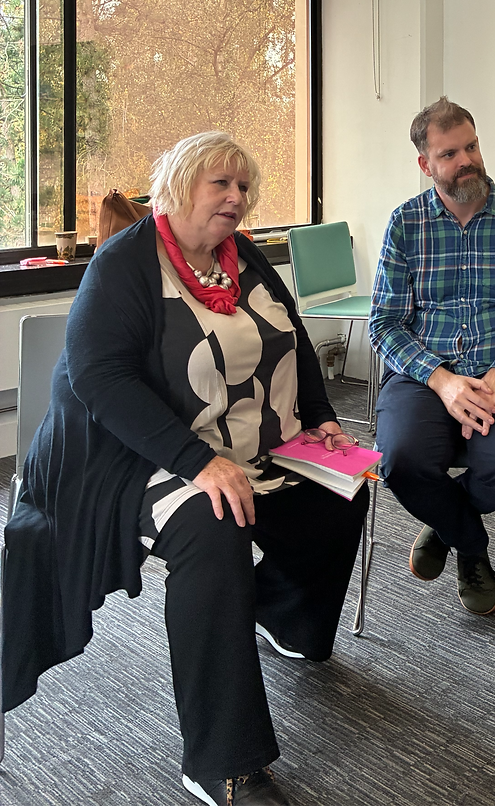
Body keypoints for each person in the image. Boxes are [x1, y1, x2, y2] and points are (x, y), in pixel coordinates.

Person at [1, 131, 369, 806]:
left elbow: (290, 340)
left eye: (243, 186)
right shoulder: (127, 263)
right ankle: (221, 760)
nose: (236, 198)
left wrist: (319, 418)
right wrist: (198, 462)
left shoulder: (243, 256)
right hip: (127, 456)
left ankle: (283, 618)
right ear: (179, 187)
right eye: (220, 184)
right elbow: (98, 379)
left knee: (340, 492)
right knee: (215, 523)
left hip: (238, 442)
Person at [369, 97, 495, 616]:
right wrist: (442, 381)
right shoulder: (405, 224)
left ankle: (446, 524)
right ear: (425, 164)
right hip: (425, 378)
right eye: (450, 153)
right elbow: (383, 325)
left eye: (472, 146)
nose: (467, 161)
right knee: (402, 462)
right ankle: (472, 548)